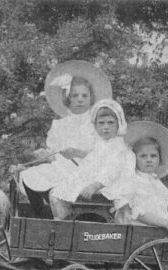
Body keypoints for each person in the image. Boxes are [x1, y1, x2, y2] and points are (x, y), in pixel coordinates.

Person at [17, 60, 112, 216]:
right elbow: (54, 153)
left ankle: (59, 215)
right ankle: (40, 215)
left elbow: (103, 154)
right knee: (28, 176)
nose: (80, 99)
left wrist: (77, 152)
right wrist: (45, 155)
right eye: (75, 96)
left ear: (91, 98)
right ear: (68, 98)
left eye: (84, 95)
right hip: (62, 168)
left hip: (86, 170)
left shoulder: (97, 124)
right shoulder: (60, 124)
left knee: (54, 188)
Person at [48, 99, 135, 220]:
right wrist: (76, 152)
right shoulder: (102, 143)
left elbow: (113, 171)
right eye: (101, 123)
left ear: (119, 124)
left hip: (110, 185)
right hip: (99, 181)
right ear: (95, 125)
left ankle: (64, 223)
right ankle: (64, 219)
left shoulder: (119, 147)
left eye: (110, 123)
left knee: (56, 195)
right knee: (58, 190)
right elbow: (95, 158)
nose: (106, 127)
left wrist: (94, 186)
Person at [102, 121, 168, 238]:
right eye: (143, 156)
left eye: (153, 156)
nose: (149, 160)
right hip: (137, 234)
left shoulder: (155, 182)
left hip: (156, 233)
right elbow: (137, 213)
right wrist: (166, 223)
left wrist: (166, 224)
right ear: (134, 159)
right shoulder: (131, 180)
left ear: (160, 159)